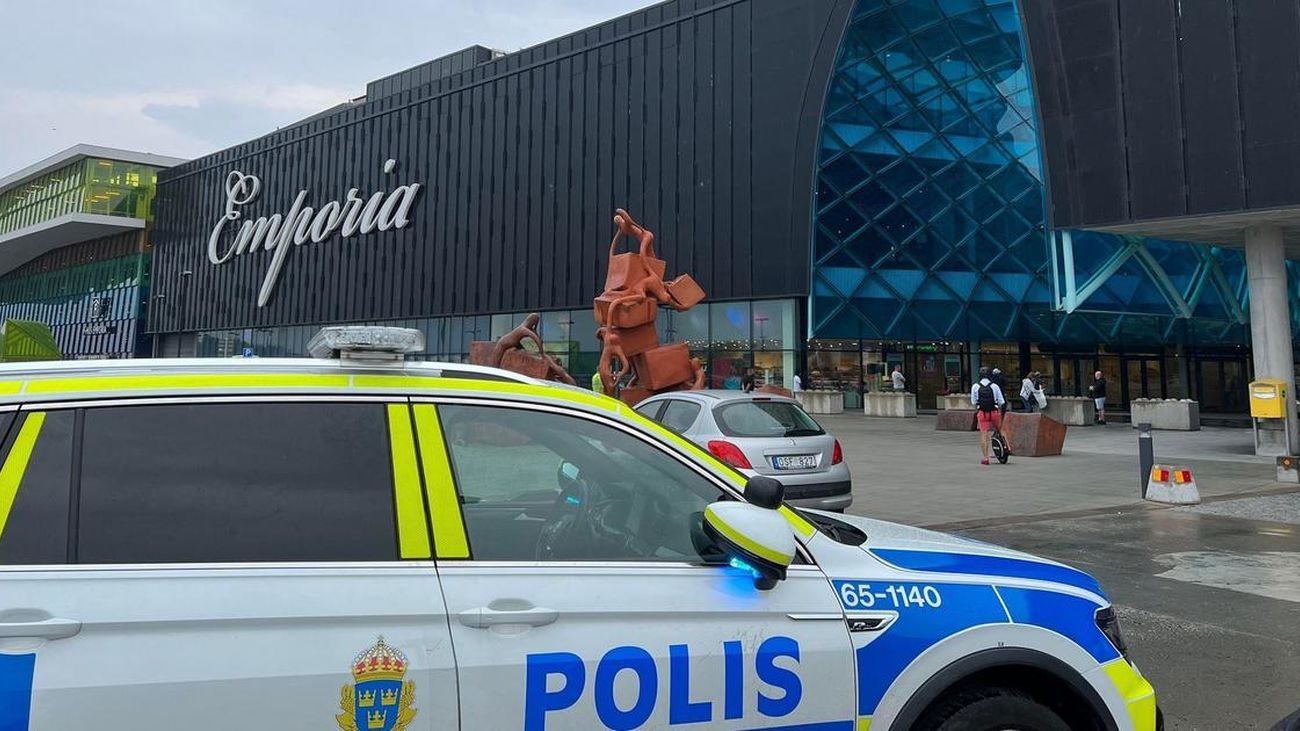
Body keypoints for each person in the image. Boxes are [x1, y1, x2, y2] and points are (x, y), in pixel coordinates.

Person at [971, 366, 1006, 465]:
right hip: (994, 412)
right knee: (1001, 429)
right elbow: (1001, 402)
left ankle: (986, 458)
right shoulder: (995, 386)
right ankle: (1007, 447)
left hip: (982, 413)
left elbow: (973, 402)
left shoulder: (975, 386)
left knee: (984, 434)